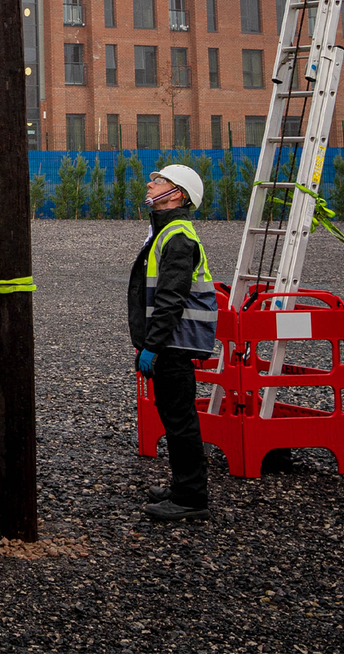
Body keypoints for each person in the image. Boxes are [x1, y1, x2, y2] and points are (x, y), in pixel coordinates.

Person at [129, 163, 217, 522]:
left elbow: (170, 298)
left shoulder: (177, 236)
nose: (151, 184)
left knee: (180, 420)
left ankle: (191, 497)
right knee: (173, 416)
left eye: (159, 180)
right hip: (169, 342)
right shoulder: (164, 231)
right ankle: (183, 487)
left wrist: (154, 345)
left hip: (174, 344)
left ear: (177, 194)